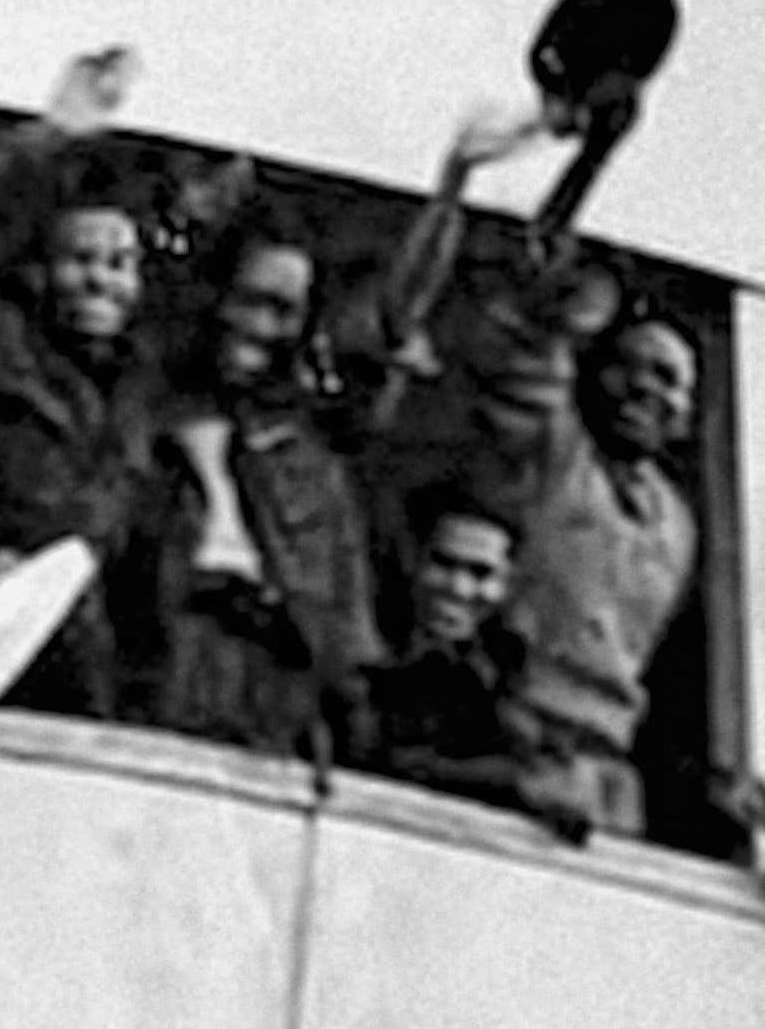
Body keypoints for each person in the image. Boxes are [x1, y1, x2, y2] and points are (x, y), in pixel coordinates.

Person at [0, 47, 167, 715]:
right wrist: (52, 137)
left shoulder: (140, 392)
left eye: (119, 263)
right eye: (80, 259)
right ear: (40, 270)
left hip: (91, 652)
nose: (100, 278)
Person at [117, 205, 383, 763]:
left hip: (269, 741)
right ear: (211, 295)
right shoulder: (131, 417)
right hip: (143, 728)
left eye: (284, 311)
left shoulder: (315, 470)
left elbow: (347, 642)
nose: (262, 327)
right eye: (248, 299)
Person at [464, 250, 700, 840]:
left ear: (688, 415)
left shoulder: (677, 522)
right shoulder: (556, 455)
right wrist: (574, 305)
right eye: (627, 365)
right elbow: (519, 358)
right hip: (518, 742)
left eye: (668, 378)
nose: (644, 387)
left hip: (612, 772)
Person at [365, 488, 527, 808]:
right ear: (414, 560)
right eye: (443, 564)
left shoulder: (511, 669)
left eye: (480, 573)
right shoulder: (370, 641)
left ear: (508, 585)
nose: (458, 588)